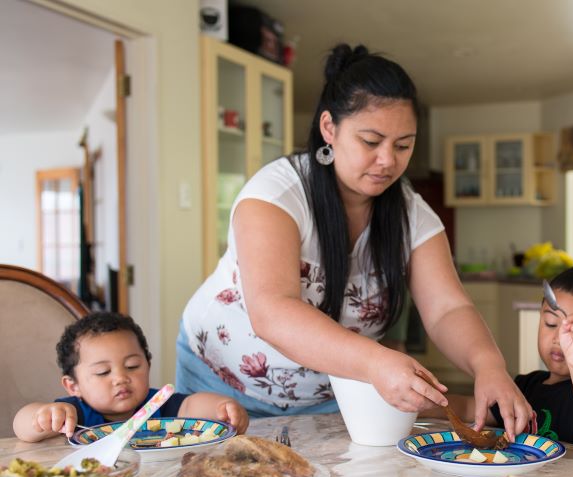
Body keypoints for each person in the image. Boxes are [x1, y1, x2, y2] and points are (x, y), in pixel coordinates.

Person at [176, 44, 532, 439]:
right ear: (330, 128)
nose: (387, 161)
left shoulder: (411, 214)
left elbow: (448, 308)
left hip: (336, 395)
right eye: (371, 141)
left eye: (402, 145)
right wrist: (377, 361)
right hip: (221, 388)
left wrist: (489, 366)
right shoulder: (276, 196)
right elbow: (273, 311)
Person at [421, 264, 573, 453]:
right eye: (550, 323)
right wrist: (422, 405)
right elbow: (470, 408)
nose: (560, 338)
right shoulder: (526, 386)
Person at [13, 312, 249, 442]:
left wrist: (223, 406)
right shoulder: (74, 414)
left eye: (132, 366)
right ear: (72, 385)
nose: (120, 378)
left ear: (148, 364)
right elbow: (21, 428)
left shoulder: (158, 406)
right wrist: (42, 417)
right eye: (103, 372)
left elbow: (191, 405)